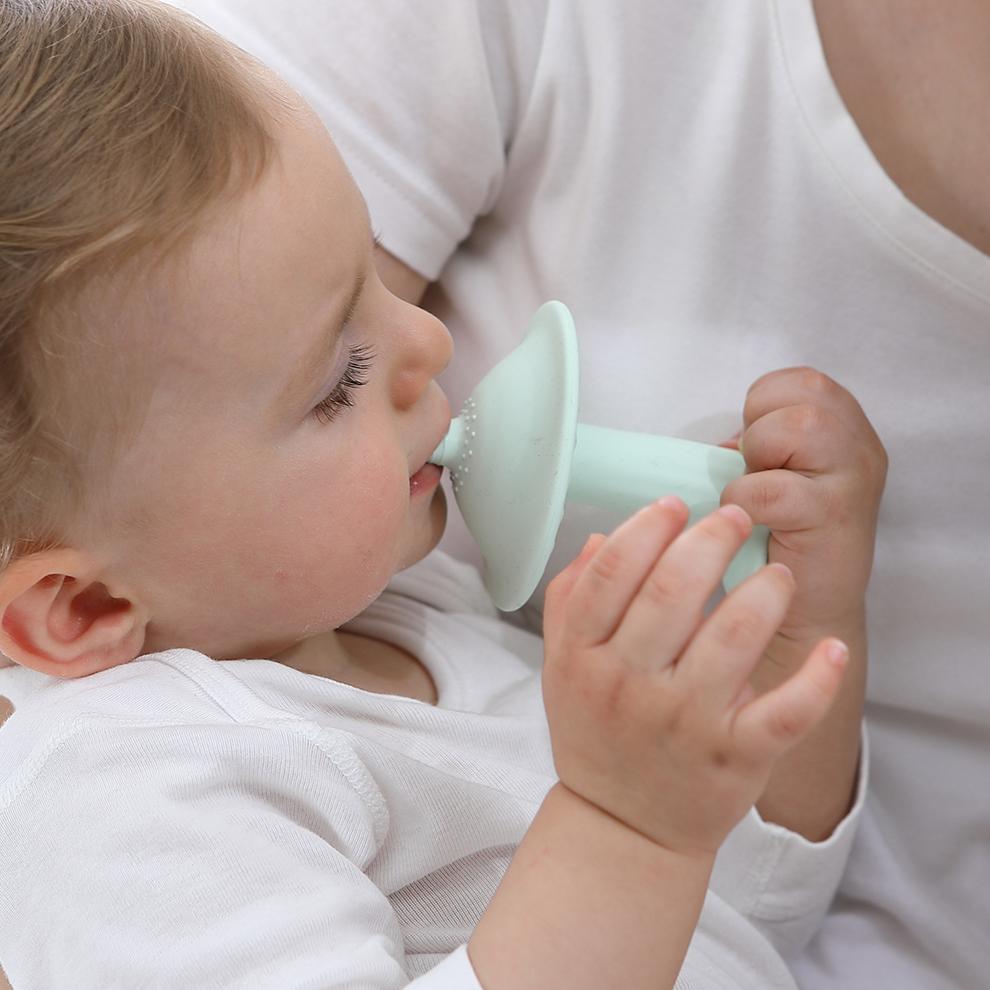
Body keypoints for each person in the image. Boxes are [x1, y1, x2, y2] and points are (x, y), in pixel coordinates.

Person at [0, 2, 886, 987]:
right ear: (86, 607)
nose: (428, 341)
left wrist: (799, 627)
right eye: (336, 381)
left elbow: (746, 918)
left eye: (374, 277)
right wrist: (623, 826)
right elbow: (657, 872)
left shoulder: (399, 612)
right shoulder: (131, 795)